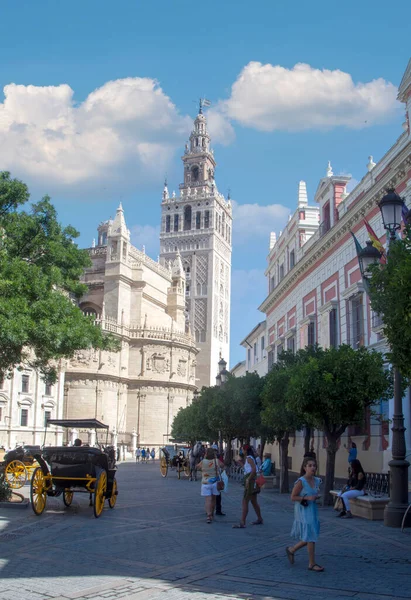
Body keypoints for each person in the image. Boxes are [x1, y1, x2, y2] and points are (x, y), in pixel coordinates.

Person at [286, 457, 323, 572]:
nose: (312, 468)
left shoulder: (316, 480)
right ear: (304, 467)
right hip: (303, 510)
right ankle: (311, 563)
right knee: (310, 535)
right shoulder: (301, 481)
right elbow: (293, 497)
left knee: (309, 535)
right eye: (310, 465)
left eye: (314, 465)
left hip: (312, 509)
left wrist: (316, 496)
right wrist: (307, 497)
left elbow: (315, 492)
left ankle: (292, 549)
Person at [233, 445, 263, 528]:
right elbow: (248, 469)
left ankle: (242, 522)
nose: (242, 451)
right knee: (253, 501)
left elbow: (253, 470)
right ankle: (259, 518)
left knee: (245, 501)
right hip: (252, 480)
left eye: (242, 449)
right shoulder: (249, 458)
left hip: (251, 481)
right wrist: (240, 463)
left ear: (245, 450)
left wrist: (248, 479)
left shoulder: (249, 458)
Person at [197, 447, 225, 523]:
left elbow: (197, 467)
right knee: (214, 499)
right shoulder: (216, 461)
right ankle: (212, 513)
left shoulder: (203, 461)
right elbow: (222, 465)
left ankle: (208, 515)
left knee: (208, 499)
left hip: (205, 483)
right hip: (215, 483)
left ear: (206, 453)